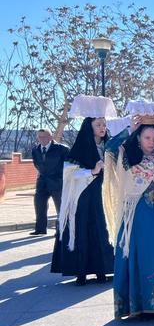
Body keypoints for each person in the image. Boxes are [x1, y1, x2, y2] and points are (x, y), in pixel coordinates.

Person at [104, 105, 154, 320]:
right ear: (138, 138)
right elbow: (109, 148)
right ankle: (135, 304)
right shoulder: (127, 157)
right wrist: (128, 130)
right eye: (147, 138)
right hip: (135, 220)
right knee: (138, 256)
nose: (152, 142)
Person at [51, 95, 116, 286]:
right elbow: (70, 173)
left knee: (102, 230)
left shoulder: (109, 146)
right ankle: (81, 271)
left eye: (104, 124)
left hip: (103, 195)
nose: (102, 128)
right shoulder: (80, 147)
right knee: (83, 230)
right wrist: (92, 171)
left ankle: (103, 270)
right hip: (83, 197)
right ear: (89, 127)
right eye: (98, 125)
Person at [30, 128, 68, 235]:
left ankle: (61, 230)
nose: (41, 139)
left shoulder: (62, 149)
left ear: (51, 137)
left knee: (60, 208)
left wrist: (61, 177)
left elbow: (69, 164)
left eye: (44, 136)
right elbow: (37, 164)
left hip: (58, 183)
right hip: (42, 183)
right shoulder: (35, 150)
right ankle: (40, 229)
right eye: (39, 137)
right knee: (39, 205)